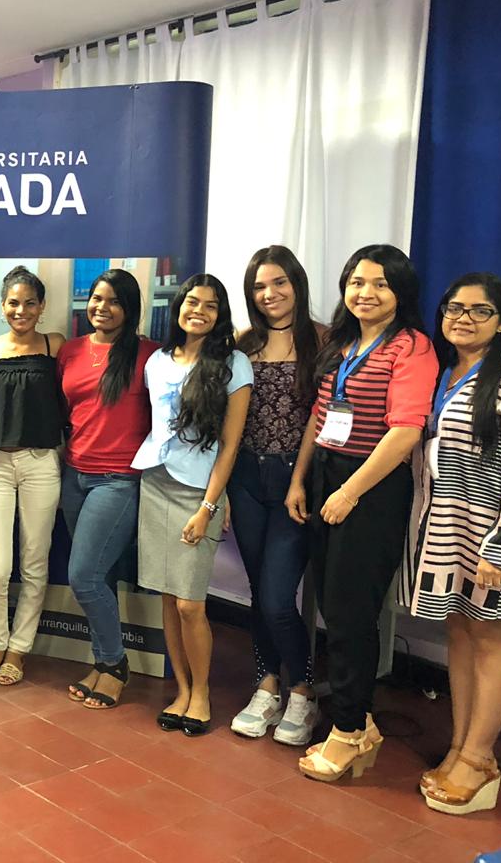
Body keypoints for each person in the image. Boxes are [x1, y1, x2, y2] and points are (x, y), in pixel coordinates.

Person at [288, 245, 437, 782]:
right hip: (328, 474)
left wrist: (350, 492)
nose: (365, 293)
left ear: (401, 292)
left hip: (370, 486)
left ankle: (349, 730)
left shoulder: (413, 347)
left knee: (351, 614)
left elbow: (404, 433)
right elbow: (320, 416)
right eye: (356, 282)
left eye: (379, 284)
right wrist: (301, 479)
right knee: (331, 603)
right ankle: (358, 722)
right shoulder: (343, 342)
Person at [402, 273, 501, 814]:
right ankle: (459, 746)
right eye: (455, 307)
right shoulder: (446, 369)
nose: (463, 318)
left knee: (493, 641)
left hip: (494, 537)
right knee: (460, 632)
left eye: (479, 311)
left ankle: (480, 760)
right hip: (446, 528)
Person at [132, 274, 252, 736]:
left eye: (210, 305)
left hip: (198, 493)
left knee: (190, 604)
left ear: (220, 314)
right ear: (178, 307)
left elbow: (230, 445)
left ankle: (201, 692)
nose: (197, 310)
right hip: (156, 481)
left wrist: (208, 506)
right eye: (190, 302)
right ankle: (181, 689)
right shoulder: (158, 361)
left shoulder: (233, 364)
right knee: (166, 593)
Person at [227, 247, 322, 745]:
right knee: (257, 592)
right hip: (245, 478)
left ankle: (303, 691)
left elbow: (321, 418)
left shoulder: (323, 342)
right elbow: (229, 424)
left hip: (294, 484)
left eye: (279, 283)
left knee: (277, 597)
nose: (270, 294)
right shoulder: (243, 345)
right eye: (260, 287)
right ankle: (266, 685)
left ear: (297, 284)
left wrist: (300, 480)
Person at [59, 269, 159, 708]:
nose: (102, 307)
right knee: (102, 575)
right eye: (97, 298)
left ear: (130, 308)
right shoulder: (70, 351)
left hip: (118, 480)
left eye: (114, 300)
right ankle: (102, 662)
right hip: (74, 476)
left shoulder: (149, 356)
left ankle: (115, 663)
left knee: (83, 575)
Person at [0, 265, 66, 686]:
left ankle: (19, 648)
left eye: (30, 303)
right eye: (13, 302)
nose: (21, 310)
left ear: (42, 307)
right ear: (2, 305)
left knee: (34, 562)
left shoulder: (54, 346)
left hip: (40, 464)